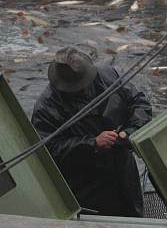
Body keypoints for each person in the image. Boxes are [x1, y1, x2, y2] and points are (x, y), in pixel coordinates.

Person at [31, 47, 152, 217]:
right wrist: (93, 143)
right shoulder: (47, 106)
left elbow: (139, 102)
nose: (82, 89)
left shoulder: (108, 75)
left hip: (123, 171)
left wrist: (131, 130)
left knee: (133, 219)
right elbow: (48, 150)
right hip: (85, 183)